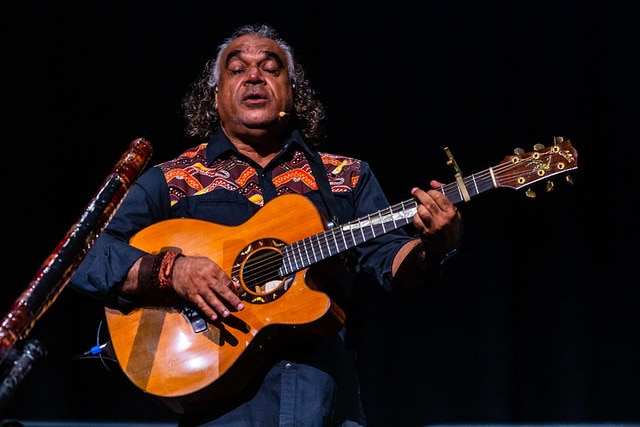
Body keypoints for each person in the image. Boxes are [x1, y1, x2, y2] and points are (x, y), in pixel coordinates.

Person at [69, 23, 462, 427]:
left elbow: (392, 266)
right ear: (215, 95)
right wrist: (174, 272)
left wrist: (435, 247)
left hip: (323, 403)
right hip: (218, 407)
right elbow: (83, 254)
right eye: (237, 69)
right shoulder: (172, 179)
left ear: (293, 92)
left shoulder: (347, 176)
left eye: (270, 68)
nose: (254, 76)